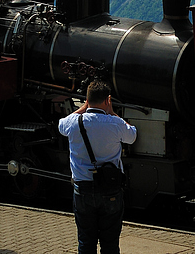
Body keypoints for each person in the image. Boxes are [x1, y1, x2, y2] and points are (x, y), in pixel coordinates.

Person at [57, 81, 138, 254]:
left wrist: (81, 108)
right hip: (111, 189)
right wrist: (113, 113)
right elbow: (132, 136)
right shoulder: (115, 123)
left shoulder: (73, 122)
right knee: (110, 243)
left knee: (86, 242)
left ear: (87, 99)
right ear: (108, 100)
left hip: (83, 189)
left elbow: (60, 125)